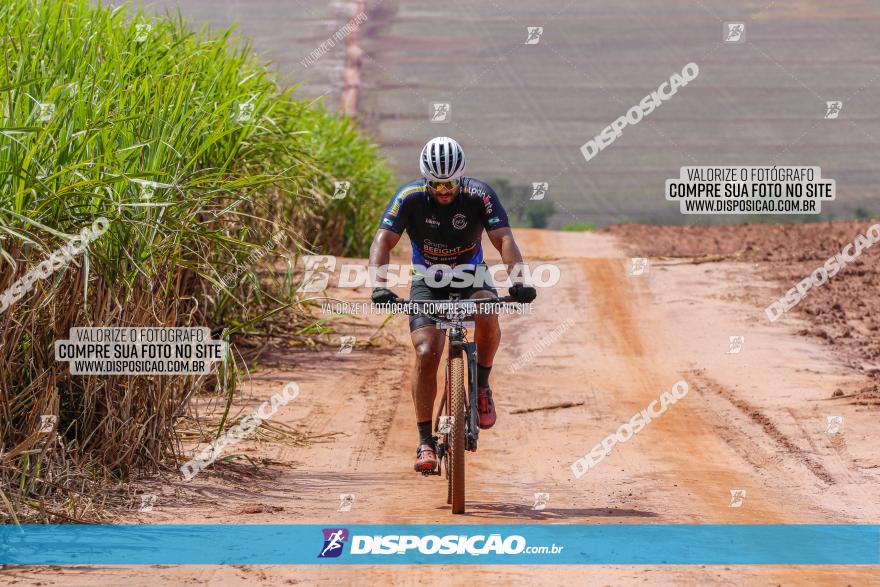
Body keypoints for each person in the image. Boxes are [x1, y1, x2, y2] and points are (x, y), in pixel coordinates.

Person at [368, 136, 537, 473]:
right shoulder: (409, 197)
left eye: (450, 183)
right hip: (427, 282)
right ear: (425, 180)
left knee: (488, 309)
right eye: (436, 184)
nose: (444, 190)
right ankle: (425, 442)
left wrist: (519, 280)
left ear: (461, 178)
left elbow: (503, 239)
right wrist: (379, 284)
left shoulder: (480, 195)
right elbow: (382, 241)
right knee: (427, 352)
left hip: (471, 276)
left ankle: (482, 385)